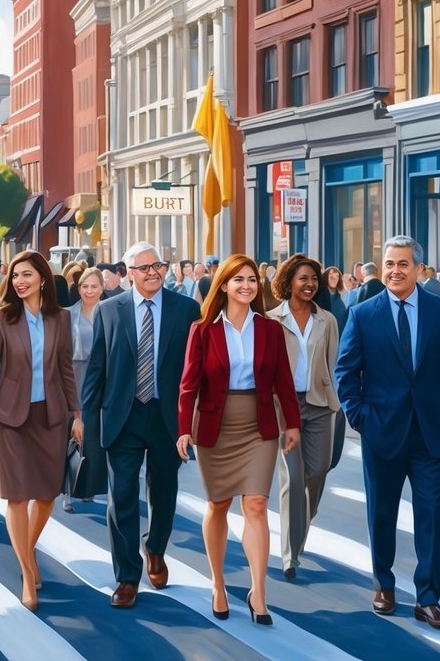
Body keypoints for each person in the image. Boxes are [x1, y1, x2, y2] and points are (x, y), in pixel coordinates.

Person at [334, 235, 440, 631]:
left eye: (403, 264)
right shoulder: (363, 313)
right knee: (382, 513)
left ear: (419, 270)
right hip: (382, 431)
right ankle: (384, 584)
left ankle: (428, 598)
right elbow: (345, 372)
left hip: (431, 434)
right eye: (389, 263)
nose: (395, 271)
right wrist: (360, 417)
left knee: (431, 515)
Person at [176, 254, 300, 623]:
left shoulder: (270, 330)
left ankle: (258, 592)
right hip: (214, 423)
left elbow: (284, 382)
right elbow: (188, 385)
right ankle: (217, 583)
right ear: (224, 285)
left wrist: (291, 423)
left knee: (257, 505)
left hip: (259, 425)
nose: (246, 286)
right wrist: (184, 428)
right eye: (238, 280)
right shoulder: (203, 330)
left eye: (251, 280)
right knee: (218, 506)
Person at [80, 242, 197, 609]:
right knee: (123, 497)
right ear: (128, 273)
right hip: (123, 416)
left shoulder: (187, 309)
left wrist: (192, 419)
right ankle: (127, 577)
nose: (152, 273)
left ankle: (156, 548)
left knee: (165, 493)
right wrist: (87, 420)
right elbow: (96, 368)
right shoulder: (108, 310)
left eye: (157, 266)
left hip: (167, 418)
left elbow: (195, 370)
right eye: (143, 268)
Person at [0, 251, 78, 611]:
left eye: (27, 275)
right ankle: (26, 570)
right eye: (15, 275)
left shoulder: (61, 319)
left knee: (47, 494)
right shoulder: (1, 318)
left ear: (43, 279)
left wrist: (76, 414)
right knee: (17, 497)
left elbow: (66, 369)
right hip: (8, 417)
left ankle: (27, 553)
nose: (19, 281)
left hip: (50, 416)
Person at [267, 254, 341, 581]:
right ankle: (289, 554)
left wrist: (339, 401)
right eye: (303, 278)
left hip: (321, 405)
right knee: (293, 479)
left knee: (318, 472)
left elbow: (334, 362)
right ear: (289, 282)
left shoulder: (327, 320)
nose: (309, 284)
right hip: (285, 408)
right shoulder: (270, 320)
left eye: (314, 278)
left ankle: (301, 523)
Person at [62, 267, 108, 513]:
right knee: (71, 434)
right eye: (84, 286)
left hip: (102, 378)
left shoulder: (112, 312)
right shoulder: (67, 315)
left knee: (93, 435)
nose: (89, 291)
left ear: (102, 287)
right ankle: (68, 492)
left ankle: (87, 486)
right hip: (73, 376)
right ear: (78, 288)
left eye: (94, 286)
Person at [323, 266, 350, 334]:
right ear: (326, 278)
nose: (334, 279)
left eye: (337, 276)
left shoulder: (340, 297)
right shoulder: (322, 298)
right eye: (331, 277)